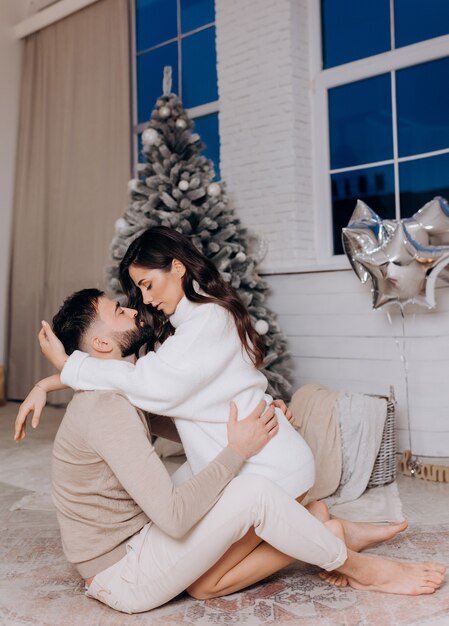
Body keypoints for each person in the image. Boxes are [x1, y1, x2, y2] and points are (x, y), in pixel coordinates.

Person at [20, 289, 445, 613]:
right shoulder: (107, 407)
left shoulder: (121, 389)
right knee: (250, 490)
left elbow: (189, 420)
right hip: (122, 573)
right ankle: (359, 566)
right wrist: (237, 450)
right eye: (118, 312)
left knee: (207, 574)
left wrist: (256, 417)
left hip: (142, 540)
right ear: (100, 347)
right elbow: (171, 514)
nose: (133, 309)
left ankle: (321, 526)